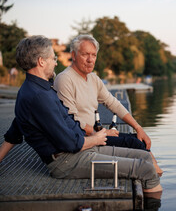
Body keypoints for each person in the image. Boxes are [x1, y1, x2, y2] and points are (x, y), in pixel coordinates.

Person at [0, 35, 162, 194]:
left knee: (144, 157)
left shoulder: (39, 89)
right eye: (53, 58)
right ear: (41, 61)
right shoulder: (39, 95)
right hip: (67, 161)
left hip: (81, 149)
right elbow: (70, 143)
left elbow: (16, 127)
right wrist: (97, 138)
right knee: (146, 169)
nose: (56, 62)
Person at [53, 34, 163, 176]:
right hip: (82, 140)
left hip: (96, 134)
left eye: (93, 55)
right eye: (85, 54)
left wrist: (138, 127)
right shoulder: (65, 79)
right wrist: (102, 133)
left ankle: (155, 176)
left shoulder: (93, 78)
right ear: (73, 55)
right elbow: (70, 120)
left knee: (137, 138)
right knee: (137, 145)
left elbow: (113, 103)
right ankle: (154, 180)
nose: (90, 59)